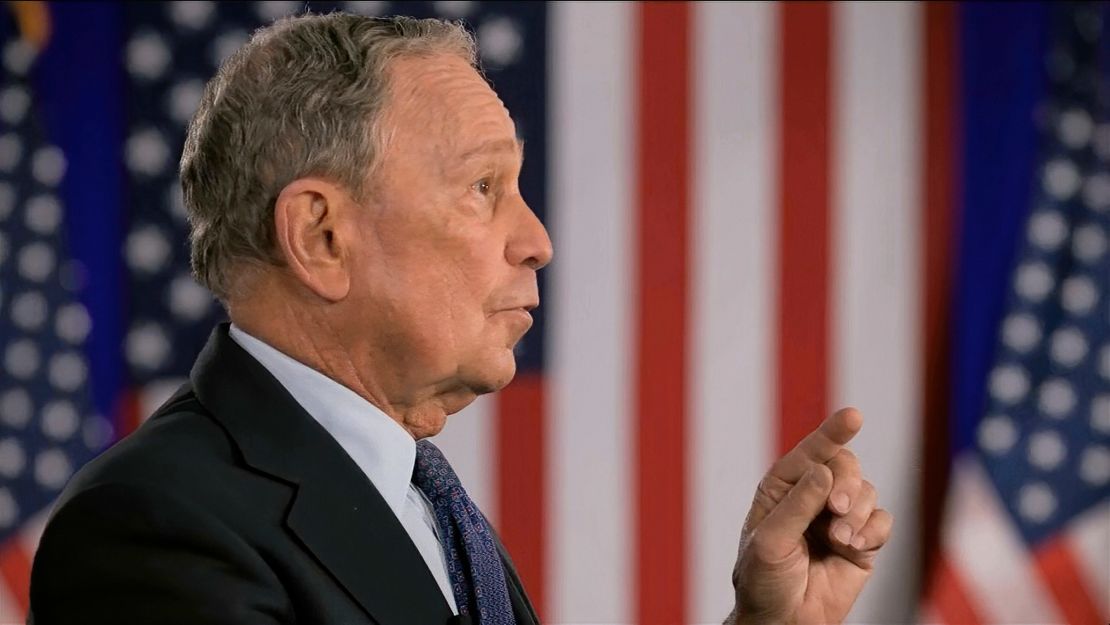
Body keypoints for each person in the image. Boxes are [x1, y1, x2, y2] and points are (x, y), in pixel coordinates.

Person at [28, 13, 892, 625]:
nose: (538, 241)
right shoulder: (154, 527)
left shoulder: (419, 502)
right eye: (484, 188)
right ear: (322, 236)